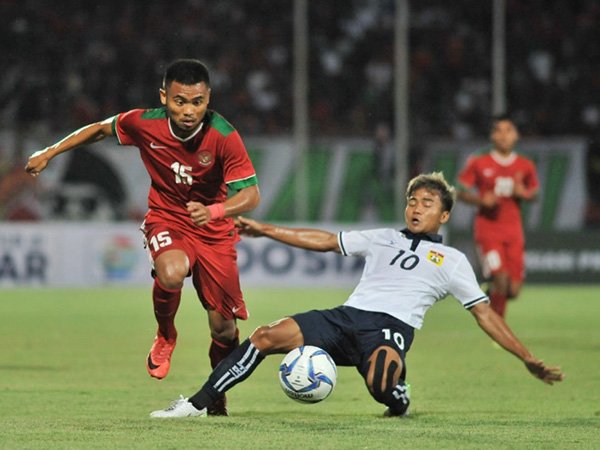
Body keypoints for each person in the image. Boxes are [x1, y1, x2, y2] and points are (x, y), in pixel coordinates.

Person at [149, 172, 563, 419]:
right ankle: (198, 405)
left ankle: (398, 397)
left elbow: (485, 314)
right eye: (412, 201)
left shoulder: (452, 260)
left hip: (389, 330)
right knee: (263, 335)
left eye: (427, 203)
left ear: (445, 215)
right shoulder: (383, 238)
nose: (417, 208)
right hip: (344, 318)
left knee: (382, 379)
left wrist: (527, 358)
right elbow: (328, 240)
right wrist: (267, 229)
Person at [25, 59, 260, 416]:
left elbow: (251, 195)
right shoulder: (143, 123)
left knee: (224, 329)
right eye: (180, 101)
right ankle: (166, 334)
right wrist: (50, 152)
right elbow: (100, 129)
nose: (188, 110)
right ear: (164, 96)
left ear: (208, 98)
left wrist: (215, 212)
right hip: (167, 217)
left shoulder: (223, 135)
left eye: (197, 102)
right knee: (171, 272)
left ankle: (216, 397)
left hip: (214, 230)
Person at [457, 115, 539, 318]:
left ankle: (489, 292)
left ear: (516, 135)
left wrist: (525, 194)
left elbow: (534, 192)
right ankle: (498, 328)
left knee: (513, 291)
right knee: (501, 279)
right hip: (488, 230)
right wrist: (479, 200)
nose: (503, 135)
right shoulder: (478, 161)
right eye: (498, 130)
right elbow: (459, 191)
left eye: (508, 130)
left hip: (513, 232)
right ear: (492, 135)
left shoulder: (525, 165)